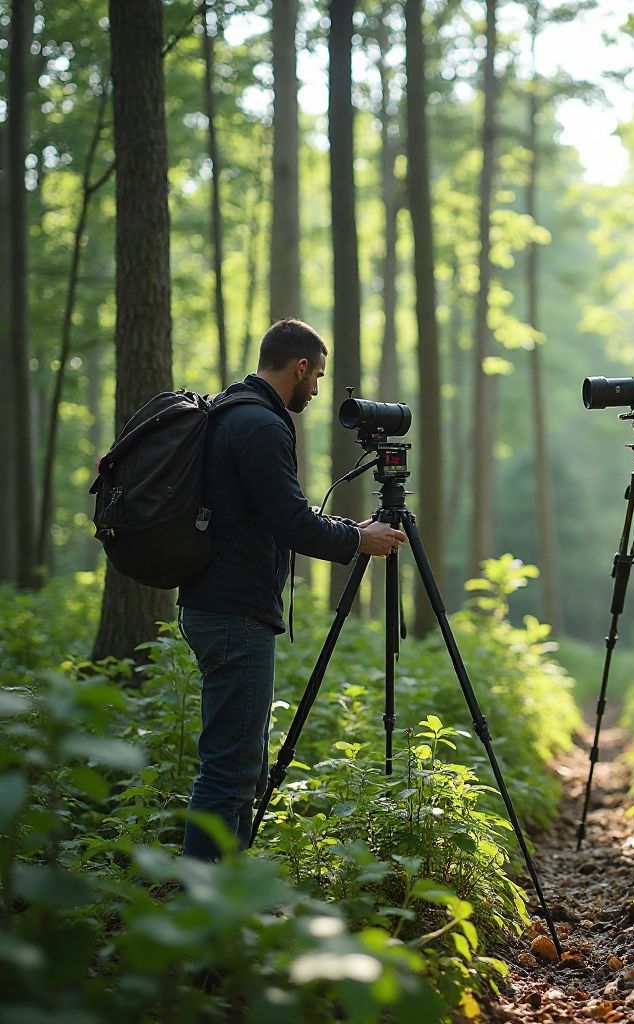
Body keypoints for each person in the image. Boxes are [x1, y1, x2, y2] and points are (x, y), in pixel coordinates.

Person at [177, 318, 407, 860]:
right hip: (234, 613)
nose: (318, 390)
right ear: (300, 366)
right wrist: (359, 539)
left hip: (215, 603)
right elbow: (292, 521)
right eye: (318, 376)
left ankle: (225, 894)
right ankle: (201, 905)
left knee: (241, 764)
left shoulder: (230, 410)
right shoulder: (260, 425)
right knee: (230, 769)